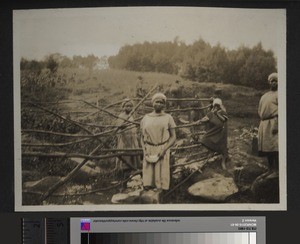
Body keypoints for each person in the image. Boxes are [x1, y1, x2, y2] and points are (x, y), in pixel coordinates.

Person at [140, 93, 176, 191]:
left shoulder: (168, 118)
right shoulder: (146, 118)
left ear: (164, 105)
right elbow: (141, 137)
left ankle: (161, 194)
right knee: (148, 180)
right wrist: (144, 150)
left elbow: (173, 137)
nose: (159, 104)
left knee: (161, 177)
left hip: (162, 148)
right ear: (153, 103)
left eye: (161, 102)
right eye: (157, 102)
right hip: (149, 149)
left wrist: (164, 149)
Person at [257, 72, 279, 179]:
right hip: (264, 123)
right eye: (272, 81)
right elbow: (260, 110)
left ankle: (277, 170)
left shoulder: (279, 94)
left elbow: (281, 111)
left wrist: (277, 125)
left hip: (274, 122)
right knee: (267, 148)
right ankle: (270, 169)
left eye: (275, 81)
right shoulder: (265, 96)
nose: (273, 83)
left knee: (275, 147)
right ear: (269, 82)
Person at [198, 98, 229, 170]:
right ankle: (212, 150)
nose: (216, 107)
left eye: (218, 106)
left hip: (222, 133)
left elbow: (224, 119)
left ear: (220, 106)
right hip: (215, 132)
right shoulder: (211, 113)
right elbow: (205, 118)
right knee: (205, 139)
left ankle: (223, 162)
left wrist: (217, 113)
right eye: (215, 106)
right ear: (213, 106)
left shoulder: (222, 112)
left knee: (223, 147)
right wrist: (200, 121)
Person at [115, 99, 141, 172]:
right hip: (124, 138)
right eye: (127, 106)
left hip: (132, 137)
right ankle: (124, 168)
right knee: (125, 152)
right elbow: (119, 128)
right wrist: (123, 126)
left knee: (133, 151)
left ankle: (133, 167)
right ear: (123, 107)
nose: (129, 107)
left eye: (130, 106)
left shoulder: (131, 116)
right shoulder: (121, 116)